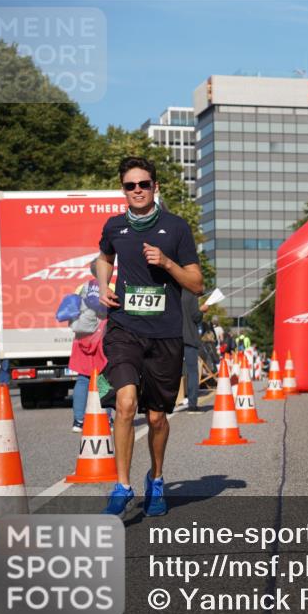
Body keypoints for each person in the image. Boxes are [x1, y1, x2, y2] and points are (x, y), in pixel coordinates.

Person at [97, 156, 203, 517]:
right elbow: (102, 258)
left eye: (144, 184)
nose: (137, 190)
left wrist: (168, 264)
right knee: (125, 403)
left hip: (165, 334)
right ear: (123, 190)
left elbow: (197, 284)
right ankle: (122, 486)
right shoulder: (114, 227)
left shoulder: (176, 228)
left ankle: (156, 478)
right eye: (130, 185)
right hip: (124, 328)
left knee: (157, 418)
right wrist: (102, 285)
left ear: (155, 187)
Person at [67, 259, 111, 432]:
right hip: (102, 338)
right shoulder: (111, 288)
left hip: (82, 338)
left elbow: (72, 310)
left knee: (83, 379)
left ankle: (78, 421)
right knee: (104, 378)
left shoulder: (81, 288)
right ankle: (107, 419)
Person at [181, 288, 209, 414]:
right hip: (189, 337)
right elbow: (195, 316)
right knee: (192, 372)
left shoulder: (173, 290)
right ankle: (192, 404)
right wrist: (202, 310)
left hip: (173, 338)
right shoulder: (190, 293)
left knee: (170, 371)